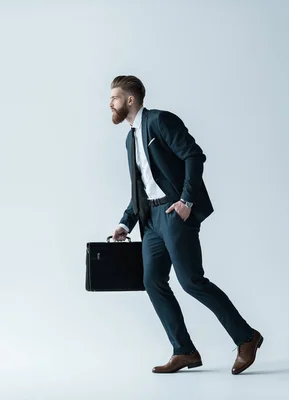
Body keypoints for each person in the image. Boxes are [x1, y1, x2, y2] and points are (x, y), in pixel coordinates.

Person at [109, 75, 263, 374]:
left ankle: (247, 337)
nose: (110, 104)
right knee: (152, 282)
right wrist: (125, 223)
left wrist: (186, 201)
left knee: (191, 281)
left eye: (114, 97)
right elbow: (141, 188)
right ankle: (184, 351)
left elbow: (194, 155)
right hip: (151, 220)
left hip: (174, 212)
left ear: (130, 99)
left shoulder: (160, 121)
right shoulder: (130, 138)